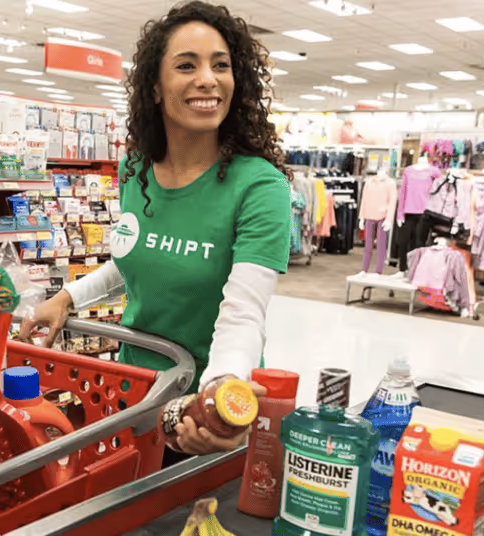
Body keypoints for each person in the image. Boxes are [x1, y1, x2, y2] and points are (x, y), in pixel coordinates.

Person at [20, 1, 292, 462]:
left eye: (221, 65)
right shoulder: (136, 170)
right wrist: (67, 299)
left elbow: (244, 314)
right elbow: (138, 260)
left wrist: (217, 399)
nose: (207, 78)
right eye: (187, 65)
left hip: (203, 405)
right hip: (132, 395)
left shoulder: (261, 186)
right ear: (155, 88)